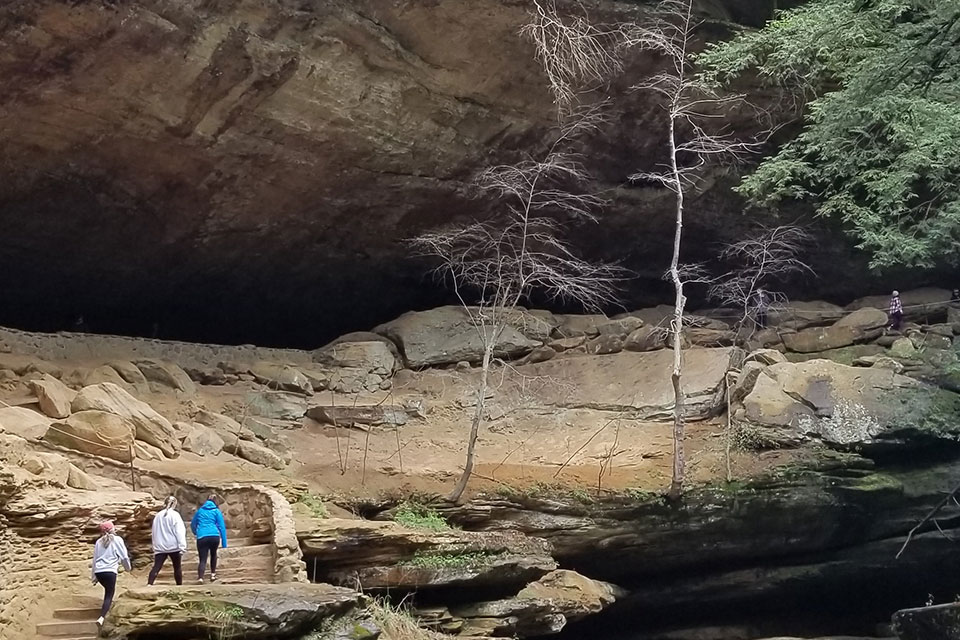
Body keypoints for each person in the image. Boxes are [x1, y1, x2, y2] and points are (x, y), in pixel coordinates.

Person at [91, 521, 131, 630]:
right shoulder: (117, 540)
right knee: (109, 593)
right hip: (110, 571)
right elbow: (124, 556)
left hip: (99, 572)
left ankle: (105, 611)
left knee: (107, 590)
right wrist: (128, 568)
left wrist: (94, 577)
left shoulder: (98, 542)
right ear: (113, 529)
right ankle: (102, 617)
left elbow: (95, 560)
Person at [148, 496, 186, 586]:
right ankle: (179, 585)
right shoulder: (175, 515)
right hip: (173, 546)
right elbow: (179, 531)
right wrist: (182, 546)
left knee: (156, 566)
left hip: (160, 546)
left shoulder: (158, 516)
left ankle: (150, 583)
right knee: (177, 567)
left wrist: (155, 545)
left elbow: (155, 531)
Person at [191, 495, 228, 584]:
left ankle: (200, 577)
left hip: (202, 536)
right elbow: (221, 527)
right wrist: (224, 543)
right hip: (214, 535)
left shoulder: (200, 511)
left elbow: (193, 524)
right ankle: (212, 574)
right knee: (213, 554)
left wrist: (196, 532)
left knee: (203, 558)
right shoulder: (216, 511)